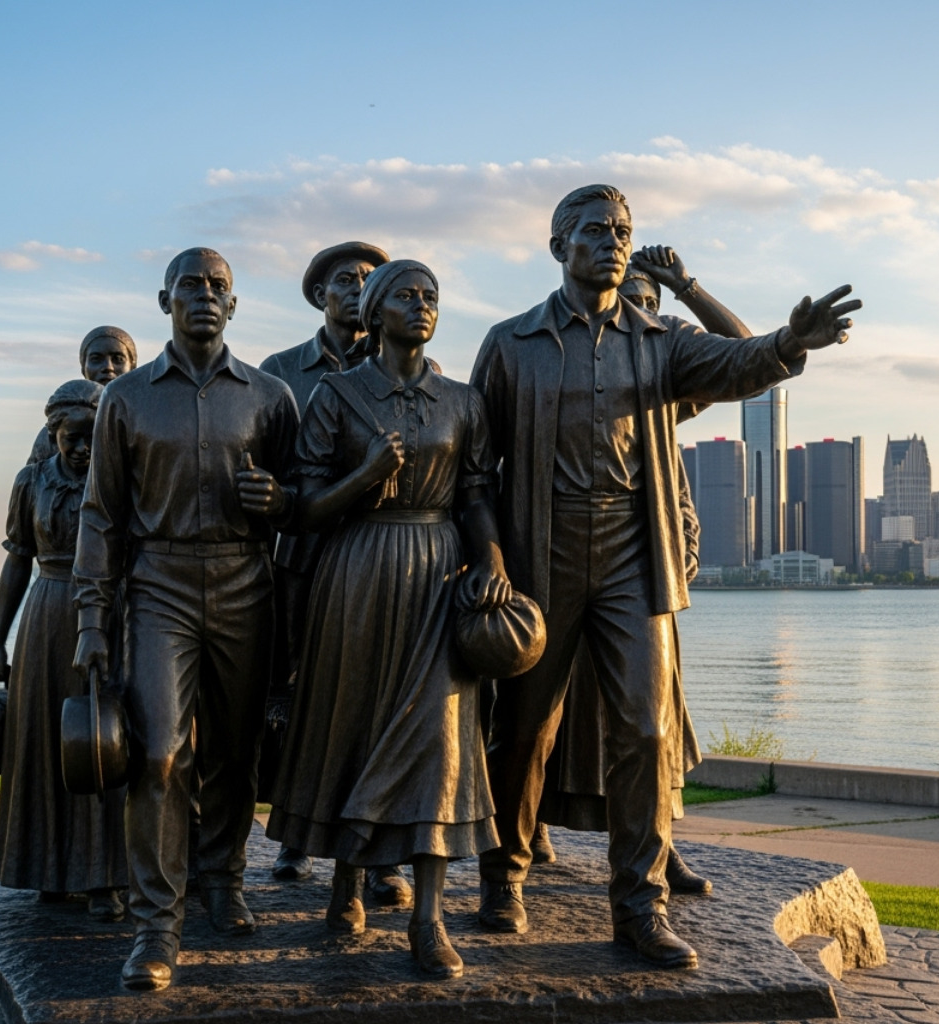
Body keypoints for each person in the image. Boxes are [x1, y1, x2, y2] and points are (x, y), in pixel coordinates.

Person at [472, 184, 860, 969]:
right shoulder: (510, 345)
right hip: (540, 552)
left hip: (627, 553)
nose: (613, 241)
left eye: (623, 230)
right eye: (595, 230)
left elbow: (741, 363)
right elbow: (476, 470)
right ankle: (504, 875)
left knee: (646, 731)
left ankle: (640, 905)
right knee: (524, 729)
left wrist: (793, 341)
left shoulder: (658, 340)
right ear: (559, 247)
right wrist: (488, 559)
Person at [267, 259, 511, 979]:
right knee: (351, 724)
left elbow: (474, 495)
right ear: (373, 313)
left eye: (431, 295)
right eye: (406, 295)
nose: (422, 305)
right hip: (356, 572)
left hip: (439, 573)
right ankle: (345, 885)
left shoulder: (462, 401)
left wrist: (491, 562)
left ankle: (427, 917)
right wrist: (365, 477)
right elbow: (303, 508)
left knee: (440, 736)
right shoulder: (338, 395)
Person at [74, 248, 299, 992]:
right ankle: (155, 925)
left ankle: (223, 879)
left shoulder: (269, 398)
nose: (205, 296)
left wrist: (280, 501)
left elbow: (301, 505)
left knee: (236, 753)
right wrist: (89, 623)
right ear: (165, 298)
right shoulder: (126, 400)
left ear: (234, 306)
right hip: (159, 584)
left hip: (246, 580)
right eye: (192, 285)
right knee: (160, 754)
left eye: (218, 287)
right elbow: (102, 516)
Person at [533, 244, 749, 895]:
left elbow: (740, 351)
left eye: (653, 305)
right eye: (635, 301)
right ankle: (527, 831)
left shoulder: (663, 380)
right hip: (568, 560)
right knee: (548, 718)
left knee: (656, 721)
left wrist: (687, 285)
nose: (644, 314)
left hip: (646, 570)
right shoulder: (561, 368)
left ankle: (658, 851)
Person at [256, 241, 411, 907]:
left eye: (370, 280)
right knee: (297, 699)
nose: (359, 289)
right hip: (304, 555)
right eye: (344, 280)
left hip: (381, 556)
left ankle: (382, 857)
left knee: (382, 701)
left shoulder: (402, 366)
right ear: (320, 295)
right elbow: (261, 470)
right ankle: (297, 832)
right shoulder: (279, 372)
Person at [0, 379, 129, 921]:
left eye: (92, 436)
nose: (84, 448)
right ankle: (47, 868)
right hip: (45, 615)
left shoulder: (119, 480)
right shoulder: (31, 482)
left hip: (104, 616)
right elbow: (18, 558)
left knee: (100, 743)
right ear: (53, 434)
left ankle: (104, 878)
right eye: (72, 437)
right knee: (45, 745)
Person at [26, 326, 138, 465]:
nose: (108, 367)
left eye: (118, 359)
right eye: (96, 359)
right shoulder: (56, 431)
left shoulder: (146, 424)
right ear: (83, 368)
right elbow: (34, 481)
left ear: (133, 368)